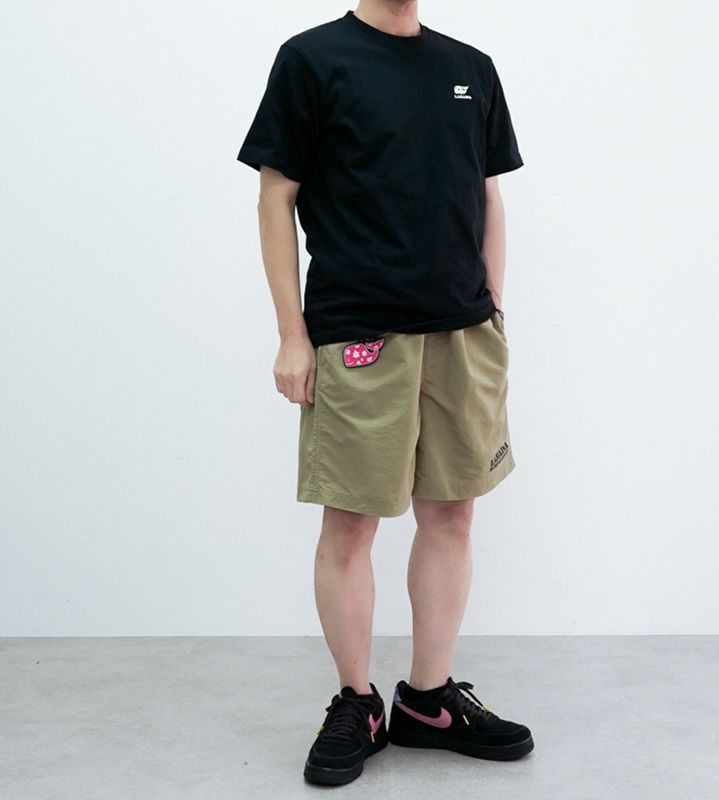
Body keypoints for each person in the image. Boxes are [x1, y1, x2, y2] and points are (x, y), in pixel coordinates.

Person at [236, 1, 533, 786]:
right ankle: (356, 702)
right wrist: (292, 334)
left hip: (463, 332)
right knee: (350, 524)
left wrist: (493, 311)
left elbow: (488, 196)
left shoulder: (470, 68)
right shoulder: (312, 59)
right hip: (358, 331)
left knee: (453, 515)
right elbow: (275, 197)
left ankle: (428, 701)